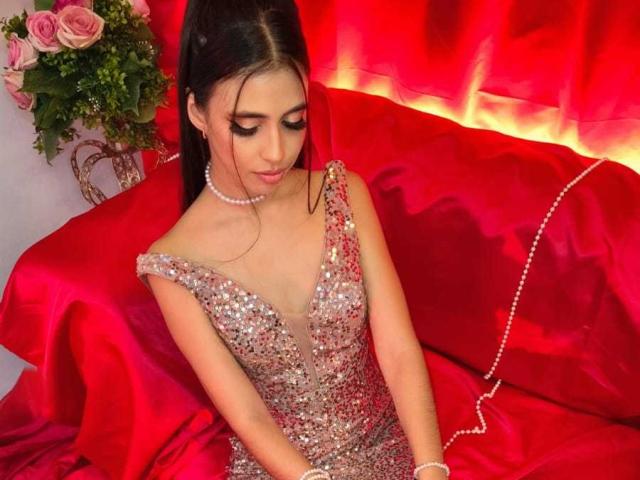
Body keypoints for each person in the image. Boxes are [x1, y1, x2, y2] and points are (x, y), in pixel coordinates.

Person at [135, 1, 448, 478]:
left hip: (389, 440)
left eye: (294, 121)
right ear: (196, 111)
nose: (277, 152)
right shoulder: (174, 265)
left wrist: (431, 469)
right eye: (247, 127)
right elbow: (248, 415)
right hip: (283, 468)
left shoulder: (342, 195)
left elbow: (399, 350)